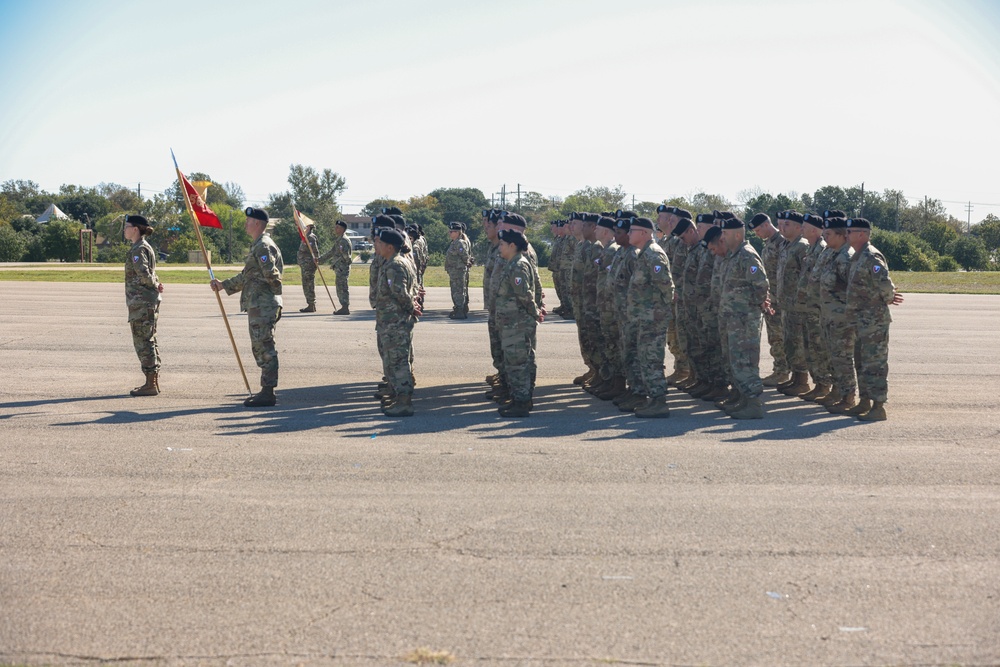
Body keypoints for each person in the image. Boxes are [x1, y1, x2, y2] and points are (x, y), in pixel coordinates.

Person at [210, 207, 283, 407]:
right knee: (260, 346)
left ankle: (268, 392)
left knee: (265, 347)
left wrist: (271, 291)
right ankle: (266, 390)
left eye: (249, 220)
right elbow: (247, 276)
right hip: (258, 304)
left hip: (263, 304)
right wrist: (223, 285)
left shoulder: (263, 246)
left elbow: (272, 275)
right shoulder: (257, 245)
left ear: (258, 224)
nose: (245, 224)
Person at [845, 217, 904, 421]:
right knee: (861, 362)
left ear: (862, 234)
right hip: (860, 320)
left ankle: (878, 407)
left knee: (875, 363)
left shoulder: (871, 257)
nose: (847, 234)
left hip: (874, 322)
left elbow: (885, 284)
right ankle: (865, 401)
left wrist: (887, 299)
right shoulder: (858, 256)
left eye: (850, 231)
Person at [715, 219, 771, 419]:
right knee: (736, 361)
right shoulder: (733, 255)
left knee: (745, 361)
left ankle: (754, 404)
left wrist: (750, 308)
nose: (722, 237)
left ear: (737, 235)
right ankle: (743, 399)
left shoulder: (747, 255)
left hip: (744, 320)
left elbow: (761, 285)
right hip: (734, 319)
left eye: (726, 234)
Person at [626, 217, 674, 418]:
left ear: (645, 233)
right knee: (645, 358)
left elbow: (666, 286)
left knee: (652, 359)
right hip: (643, 317)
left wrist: (659, 313)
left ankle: (659, 402)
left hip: (652, 318)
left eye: (632, 230)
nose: (628, 234)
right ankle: (652, 399)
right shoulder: (643, 254)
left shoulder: (654, 255)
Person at [494, 228, 543, 417]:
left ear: (512, 246)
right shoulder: (514, 262)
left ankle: (521, 403)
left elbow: (525, 295)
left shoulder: (518, 265)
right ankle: (520, 399)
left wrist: (534, 313)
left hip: (517, 324)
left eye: (503, 244)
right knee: (518, 362)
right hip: (512, 323)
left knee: (518, 364)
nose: (500, 248)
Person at [374, 228, 422, 417]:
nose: (376, 245)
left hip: (396, 322)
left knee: (398, 362)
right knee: (394, 360)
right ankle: (398, 396)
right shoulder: (395, 262)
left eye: (379, 242)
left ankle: (404, 402)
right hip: (391, 321)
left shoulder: (395, 265)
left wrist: (411, 308)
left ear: (390, 246)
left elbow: (400, 293)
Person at [817, 215, 858, 413]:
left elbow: (854, 288)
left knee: (843, 358)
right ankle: (839, 391)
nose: (825, 235)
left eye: (829, 233)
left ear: (842, 235)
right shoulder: (832, 253)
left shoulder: (845, 257)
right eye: (824, 232)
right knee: (834, 357)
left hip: (842, 318)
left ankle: (848, 396)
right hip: (829, 315)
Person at [123, 214, 164, 396]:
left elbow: (144, 274)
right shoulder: (142, 247)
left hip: (142, 302)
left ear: (135, 229)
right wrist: (155, 284)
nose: (124, 230)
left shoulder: (138, 249)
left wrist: (154, 284)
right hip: (145, 301)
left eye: (126, 226)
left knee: (143, 341)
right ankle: (151, 380)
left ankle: (150, 383)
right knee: (148, 339)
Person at [748, 213, 789, 386]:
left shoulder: (781, 242)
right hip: (771, 298)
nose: (757, 234)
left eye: (758, 230)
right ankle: (780, 369)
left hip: (780, 299)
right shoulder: (769, 243)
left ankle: (783, 371)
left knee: (780, 336)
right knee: (774, 336)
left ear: (766, 225)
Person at [317, 220, 353, 314]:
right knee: (340, 287)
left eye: (337, 227)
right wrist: (320, 259)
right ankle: (344, 306)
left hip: (342, 268)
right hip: (339, 268)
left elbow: (346, 255)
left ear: (342, 229)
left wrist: (345, 265)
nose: (335, 229)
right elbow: (332, 252)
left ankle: (345, 307)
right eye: (335, 227)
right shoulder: (339, 240)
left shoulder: (343, 241)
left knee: (342, 287)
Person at [445, 221, 472, 318]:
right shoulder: (454, 243)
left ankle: (460, 310)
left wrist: (466, 263)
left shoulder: (460, 243)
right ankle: (458, 309)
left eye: (452, 231)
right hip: (454, 271)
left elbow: (465, 256)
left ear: (457, 232)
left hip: (458, 271)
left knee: (458, 291)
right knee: (455, 290)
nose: (450, 233)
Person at [296, 222, 320, 312]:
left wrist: (316, 261)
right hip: (305, 265)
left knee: (309, 284)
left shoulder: (311, 237)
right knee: (306, 284)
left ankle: (311, 304)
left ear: (309, 227)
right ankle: (310, 304)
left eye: (305, 226)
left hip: (309, 265)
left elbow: (315, 251)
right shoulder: (305, 237)